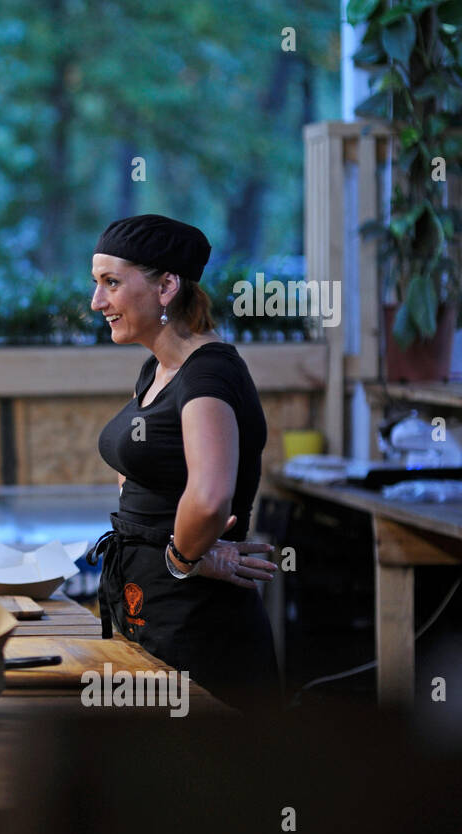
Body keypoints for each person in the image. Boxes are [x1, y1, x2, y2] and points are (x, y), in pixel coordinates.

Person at [86, 213, 280, 713]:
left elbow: (211, 496)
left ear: (167, 285)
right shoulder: (158, 368)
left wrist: (181, 558)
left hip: (195, 621)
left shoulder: (207, 374)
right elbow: (142, 468)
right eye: (96, 284)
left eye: (111, 283)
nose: (97, 302)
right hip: (148, 601)